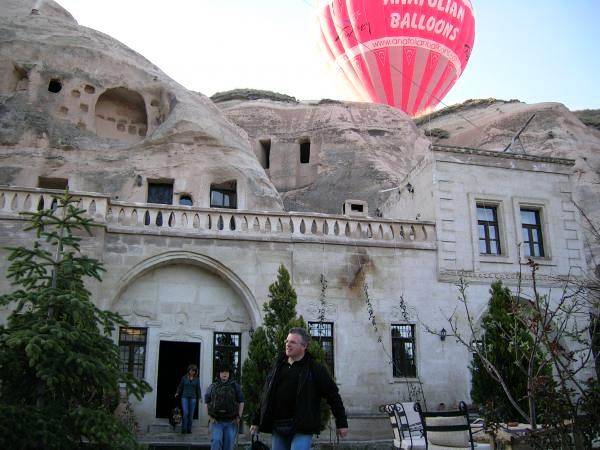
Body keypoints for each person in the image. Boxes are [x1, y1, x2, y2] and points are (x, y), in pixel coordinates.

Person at [250, 327, 349, 450]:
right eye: (287, 341)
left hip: (302, 427)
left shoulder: (315, 369)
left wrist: (342, 423)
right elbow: (266, 395)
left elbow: (333, 395)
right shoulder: (278, 367)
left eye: (292, 342)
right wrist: (256, 420)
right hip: (278, 426)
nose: (288, 345)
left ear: (304, 346)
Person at [205, 364, 245, 450]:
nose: (224, 374)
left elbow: (241, 401)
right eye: (222, 372)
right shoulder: (213, 386)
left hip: (231, 422)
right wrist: (209, 416)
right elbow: (207, 401)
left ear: (229, 373)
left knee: (229, 445)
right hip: (216, 421)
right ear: (219, 373)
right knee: (216, 442)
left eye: (226, 372)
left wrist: (239, 417)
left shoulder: (235, 386)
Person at [175, 364, 201, 434]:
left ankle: (189, 430)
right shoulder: (184, 378)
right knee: (185, 413)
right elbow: (180, 386)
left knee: (191, 414)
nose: (192, 372)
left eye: (194, 371)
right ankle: (184, 430)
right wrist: (177, 392)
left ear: (195, 372)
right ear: (189, 370)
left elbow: (198, 389)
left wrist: (200, 397)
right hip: (184, 397)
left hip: (193, 398)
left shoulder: (197, 379)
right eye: (191, 370)